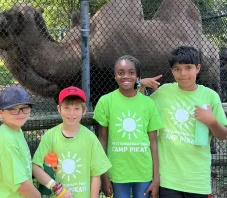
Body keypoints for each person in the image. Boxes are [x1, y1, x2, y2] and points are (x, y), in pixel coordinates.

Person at [140, 46, 227, 198]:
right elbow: (140, 109)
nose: (183, 73)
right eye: (177, 69)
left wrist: (211, 121)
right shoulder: (164, 92)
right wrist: (140, 86)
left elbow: (222, 135)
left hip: (197, 180)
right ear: (172, 71)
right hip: (168, 179)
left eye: (188, 68)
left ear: (198, 68)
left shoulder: (210, 96)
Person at [93, 55, 163, 198]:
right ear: (115, 75)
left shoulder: (148, 103)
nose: (126, 76)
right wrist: (104, 177)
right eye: (120, 72)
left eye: (131, 72)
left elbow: (153, 142)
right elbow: (102, 140)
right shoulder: (106, 101)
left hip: (143, 172)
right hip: (117, 172)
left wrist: (156, 178)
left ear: (137, 76)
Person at [32, 86, 111, 198]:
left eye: (77, 108)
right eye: (67, 108)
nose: (71, 113)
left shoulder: (90, 138)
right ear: (59, 109)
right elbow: (35, 167)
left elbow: (96, 174)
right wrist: (56, 188)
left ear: (84, 111)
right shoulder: (50, 136)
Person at [0, 86, 41, 198]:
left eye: (24, 108)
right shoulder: (7, 139)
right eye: (13, 109)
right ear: (1, 113)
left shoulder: (14, 130)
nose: (20, 114)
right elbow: (20, 184)